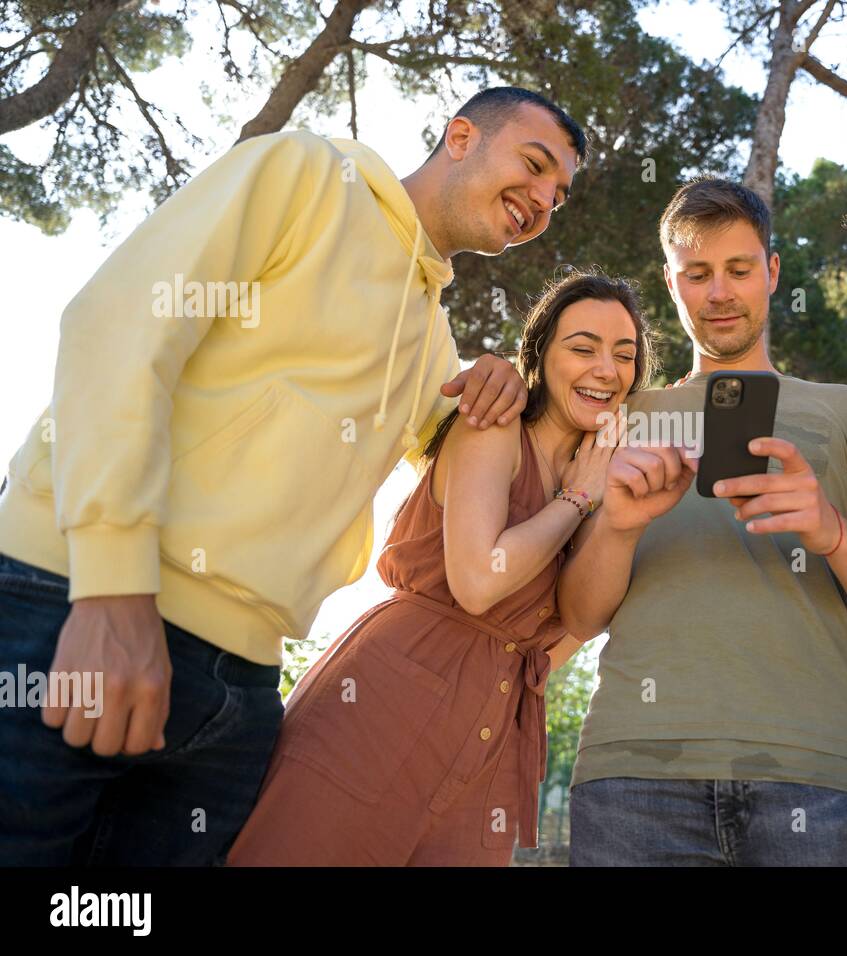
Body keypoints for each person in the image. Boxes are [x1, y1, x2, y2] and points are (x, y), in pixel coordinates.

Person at [0, 86, 585, 865]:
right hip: (75, 604)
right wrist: (113, 589)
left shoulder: (434, 342)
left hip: (240, 691)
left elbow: (473, 483)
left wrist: (510, 391)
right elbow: (118, 328)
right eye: (535, 164)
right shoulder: (306, 174)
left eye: (560, 195)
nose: (543, 200)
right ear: (460, 136)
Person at [558, 178, 847, 867]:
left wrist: (831, 531)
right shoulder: (621, 418)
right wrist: (618, 527)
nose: (720, 293)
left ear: (772, 272)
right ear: (671, 282)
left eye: (738, 269)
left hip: (818, 776)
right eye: (698, 274)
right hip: (634, 775)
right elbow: (578, 614)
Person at [227, 270, 653, 865]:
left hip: (497, 727)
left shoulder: (604, 480)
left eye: (624, 355)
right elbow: (478, 582)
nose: (606, 369)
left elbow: (578, 626)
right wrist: (574, 501)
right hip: (390, 694)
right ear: (539, 356)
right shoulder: (495, 430)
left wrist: (602, 507)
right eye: (582, 348)